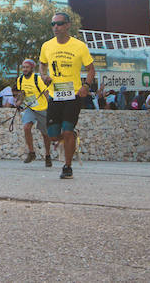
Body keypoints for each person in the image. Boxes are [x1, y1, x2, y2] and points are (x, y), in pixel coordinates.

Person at [39, 12, 95, 179]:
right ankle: (70, 138)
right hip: (55, 95)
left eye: (60, 23)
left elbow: (91, 69)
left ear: (68, 25)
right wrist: (43, 76)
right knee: (53, 135)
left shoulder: (79, 46)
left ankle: (67, 166)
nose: (56, 27)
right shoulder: (47, 46)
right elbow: (42, 64)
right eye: (53, 24)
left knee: (68, 131)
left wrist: (86, 86)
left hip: (73, 95)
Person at [13, 59, 53, 166]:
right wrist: (19, 102)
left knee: (45, 134)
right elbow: (22, 93)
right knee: (26, 127)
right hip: (30, 108)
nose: (25, 69)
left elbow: (46, 92)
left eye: (27, 67)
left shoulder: (37, 79)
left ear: (32, 68)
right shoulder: (20, 79)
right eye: (23, 67)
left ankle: (48, 155)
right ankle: (31, 152)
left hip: (42, 109)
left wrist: (51, 107)